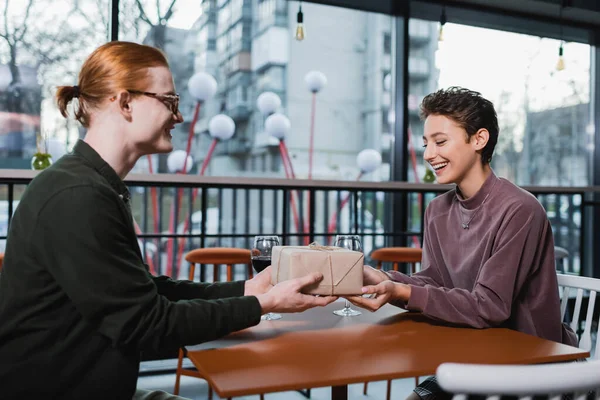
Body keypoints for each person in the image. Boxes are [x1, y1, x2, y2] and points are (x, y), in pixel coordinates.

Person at [0, 41, 336, 400]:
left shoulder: (87, 184)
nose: (178, 117)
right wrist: (263, 305)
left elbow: (144, 291)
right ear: (125, 102)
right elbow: (146, 324)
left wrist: (247, 290)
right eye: (170, 102)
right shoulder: (77, 196)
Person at [345, 87, 578, 400]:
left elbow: (490, 307)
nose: (429, 154)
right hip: (472, 352)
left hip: (529, 366)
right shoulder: (437, 210)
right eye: (426, 143)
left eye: (440, 142)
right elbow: (433, 283)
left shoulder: (520, 209)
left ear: (479, 140)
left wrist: (403, 291)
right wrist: (387, 279)